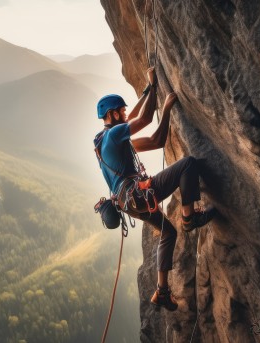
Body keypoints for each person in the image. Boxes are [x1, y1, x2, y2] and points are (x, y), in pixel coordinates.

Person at [94, 67, 217, 311]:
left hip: (129, 204)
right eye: (121, 111)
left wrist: (154, 94)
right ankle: (190, 217)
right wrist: (158, 94)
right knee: (188, 165)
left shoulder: (105, 141)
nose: (125, 114)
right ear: (112, 114)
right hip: (138, 195)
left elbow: (156, 141)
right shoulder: (115, 135)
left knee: (168, 233)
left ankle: (162, 291)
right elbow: (145, 120)